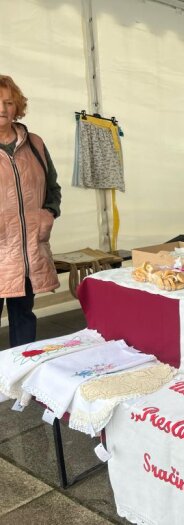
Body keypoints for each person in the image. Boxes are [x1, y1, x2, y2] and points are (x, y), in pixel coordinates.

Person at [0, 75, 61, 348]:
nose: (2, 109)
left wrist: (48, 213)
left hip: (27, 251)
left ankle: (22, 370)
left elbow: (53, 188)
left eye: (8, 102)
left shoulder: (34, 144)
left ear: (17, 106)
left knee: (24, 317)